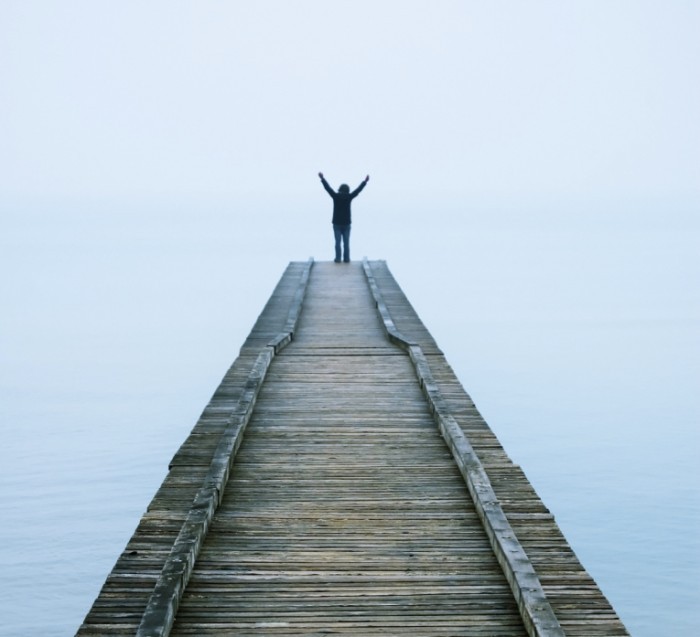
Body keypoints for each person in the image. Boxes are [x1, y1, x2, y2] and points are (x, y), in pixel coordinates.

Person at [318, 172, 369, 263]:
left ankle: (338, 259)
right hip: (346, 223)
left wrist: (322, 179)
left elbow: (328, 188)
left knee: (337, 242)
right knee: (346, 243)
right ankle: (346, 259)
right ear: (348, 190)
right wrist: (365, 182)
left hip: (337, 223)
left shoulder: (335, 196)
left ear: (340, 189)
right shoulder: (349, 197)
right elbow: (358, 190)